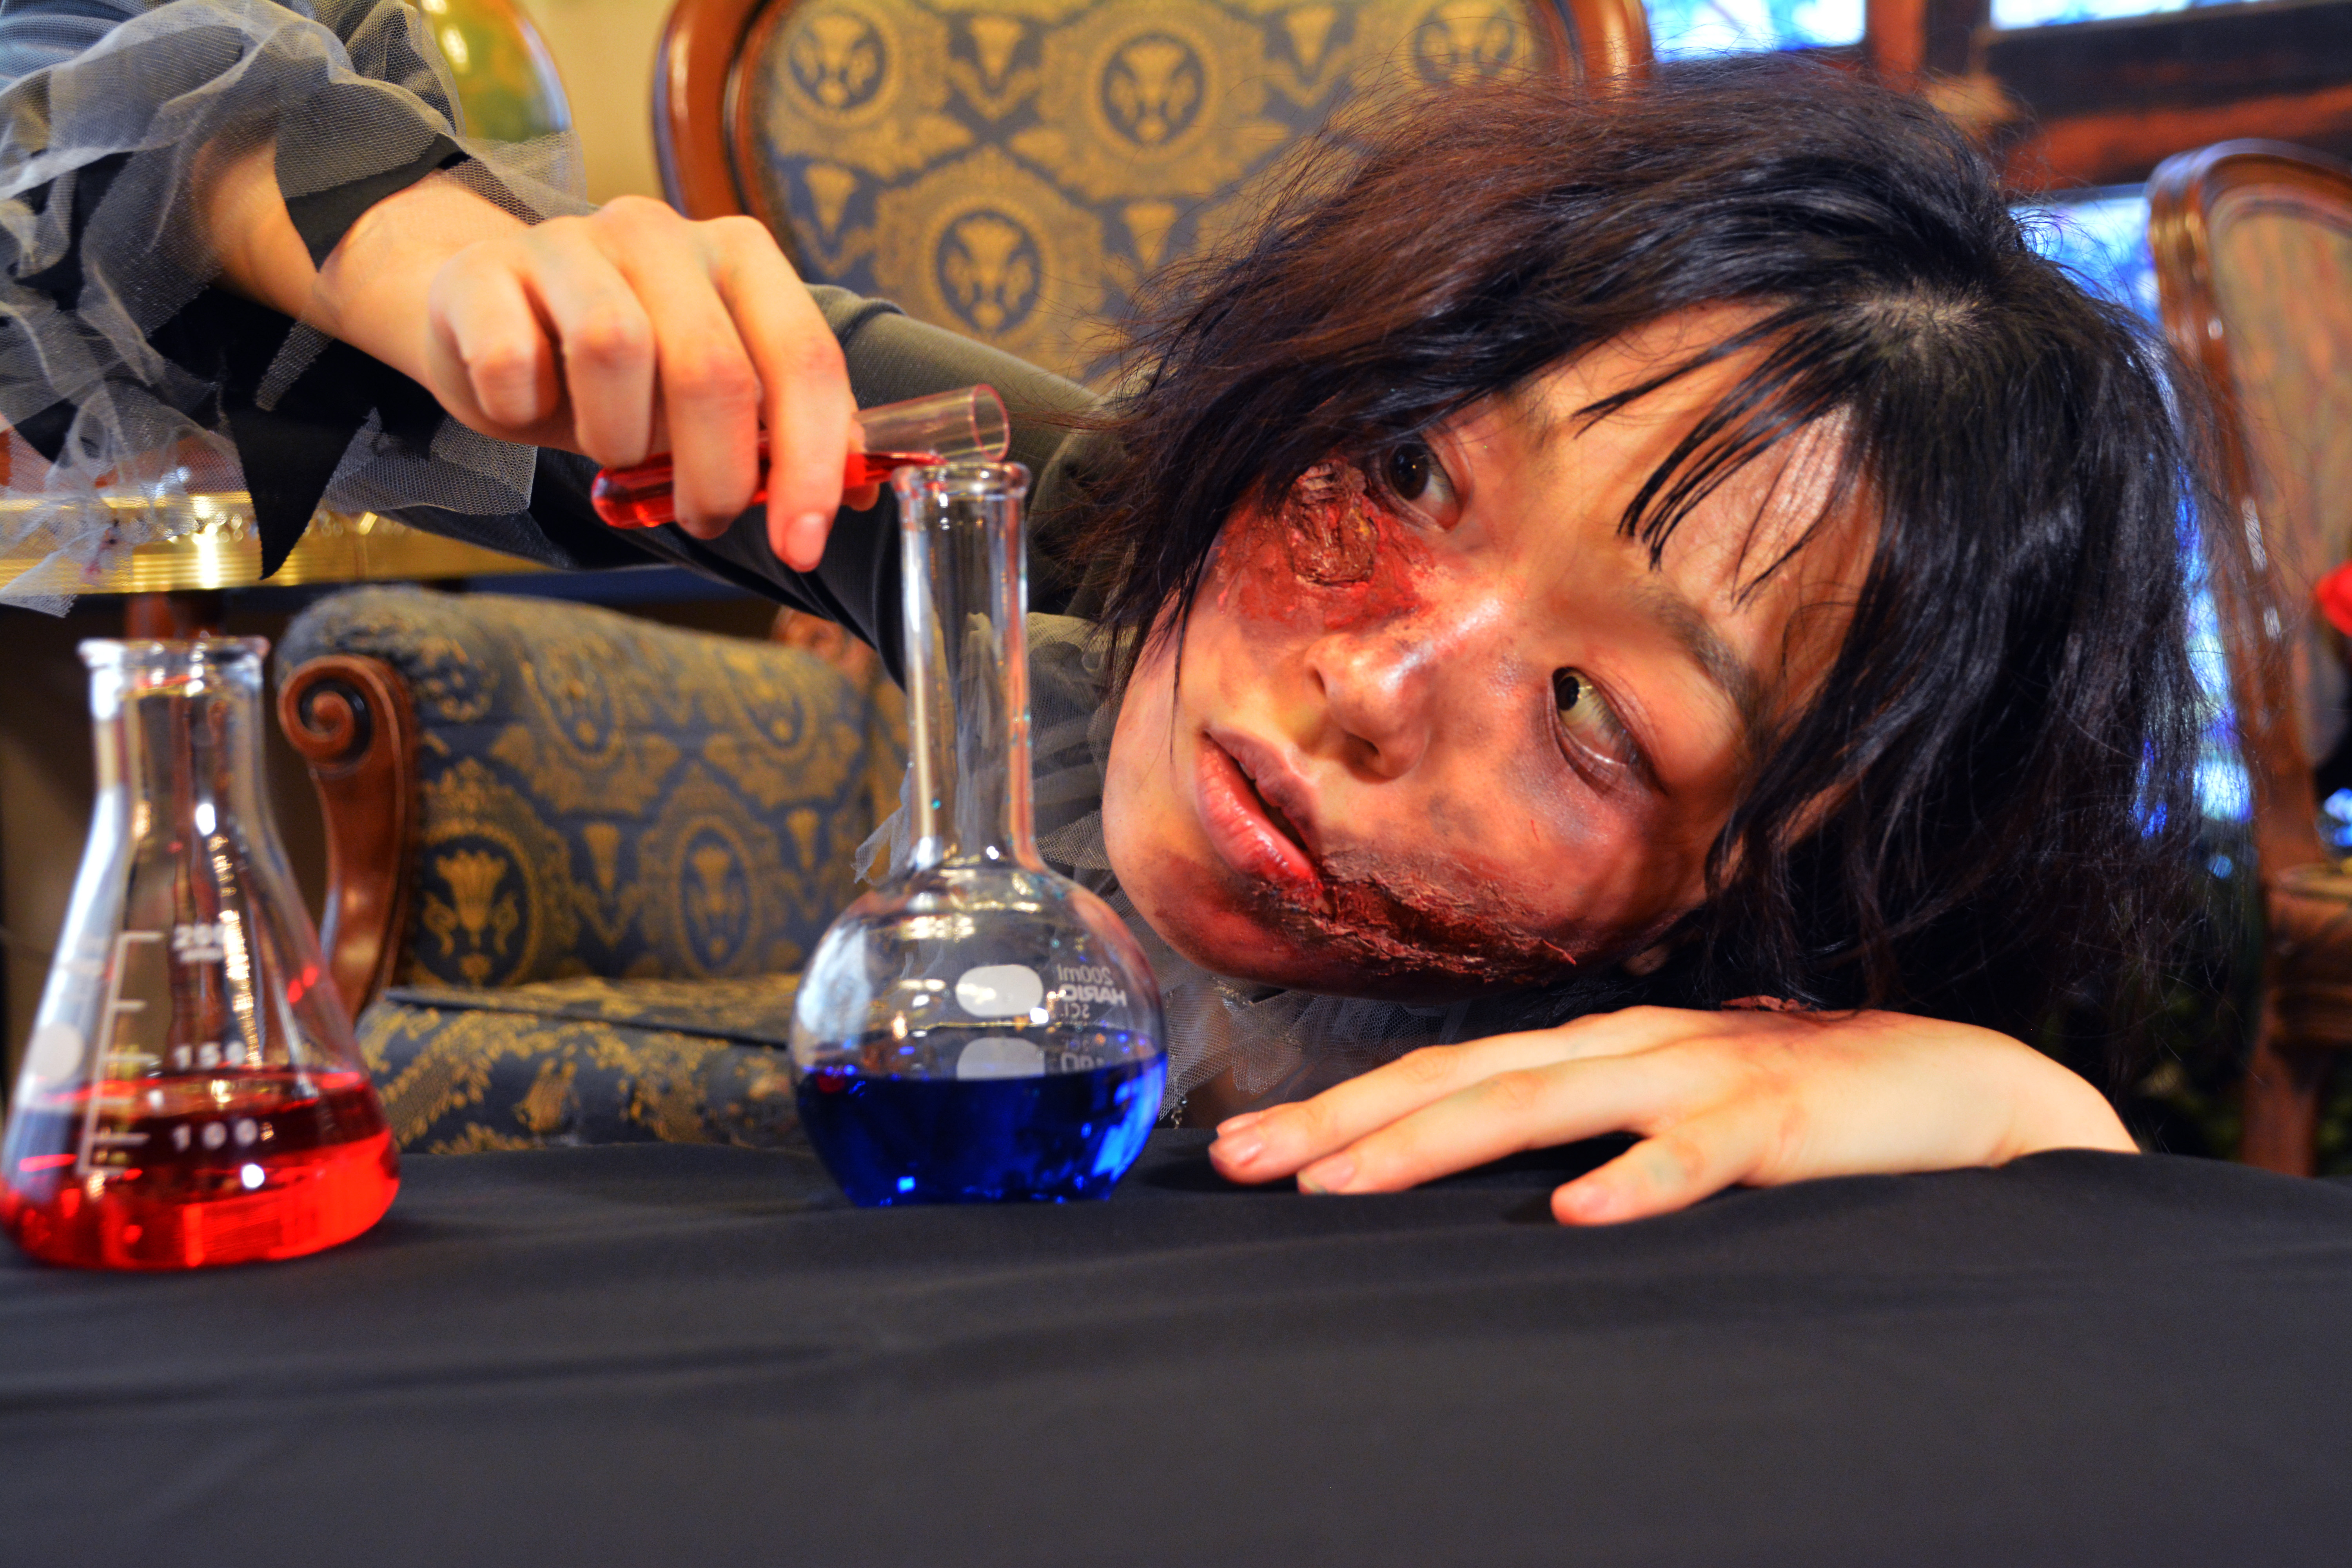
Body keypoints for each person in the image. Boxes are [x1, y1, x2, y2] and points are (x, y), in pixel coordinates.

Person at [0, 6, 2212, 1222]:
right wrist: (432, 255)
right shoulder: (1099, 516)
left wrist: (2019, 1112)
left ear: (1775, 862)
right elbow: (97, 148)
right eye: (1405, 473)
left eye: (1596, 718)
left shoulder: (1809, 1026)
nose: (1370, 678)